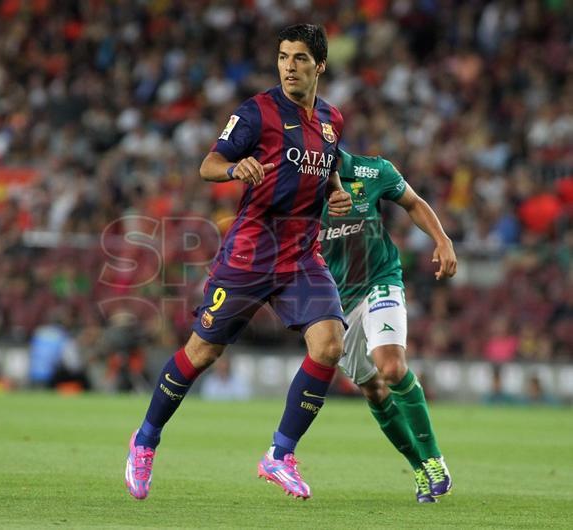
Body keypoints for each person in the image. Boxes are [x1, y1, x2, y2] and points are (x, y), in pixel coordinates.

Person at [125, 24, 352, 500]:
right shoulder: (257, 112)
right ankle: (144, 442)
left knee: (330, 344)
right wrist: (234, 168)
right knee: (202, 353)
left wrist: (337, 195)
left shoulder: (333, 120)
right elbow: (207, 164)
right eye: (283, 56)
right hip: (250, 254)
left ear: (320, 66)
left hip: (301, 257)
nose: (289, 66)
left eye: (300, 59)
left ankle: (280, 454)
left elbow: (327, 167)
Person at [319, 149, 457, 503]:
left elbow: (412, 203)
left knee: (391, 367)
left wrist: (442, 239)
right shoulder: (298, 185)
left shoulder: (371, 170)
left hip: (381, 279)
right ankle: (418, 467)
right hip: (337, 301)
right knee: (374, 391)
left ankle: (433, 458)